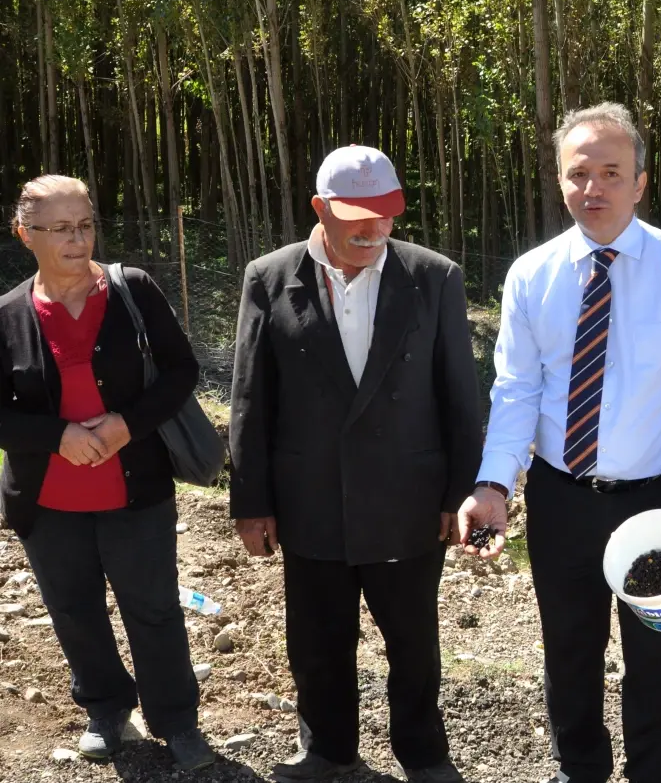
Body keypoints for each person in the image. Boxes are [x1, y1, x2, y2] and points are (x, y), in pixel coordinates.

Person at [457, 102, 661, 783]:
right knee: (569, 651)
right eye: (578, 173)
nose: (594, 188)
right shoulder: (533, 274)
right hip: (562, 497)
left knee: (656, 657)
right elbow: (517, 389)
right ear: (560, 181)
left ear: (640, 183)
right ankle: (578, 770)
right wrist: (494, 485)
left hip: (659, 501)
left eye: (611, 173)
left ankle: (652, 773)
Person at [229, 145, 481, 783]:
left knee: (414, 644)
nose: (373, 230)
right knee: (317, 641)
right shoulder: (269, 276)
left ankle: (424, 754)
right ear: (320, 209)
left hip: (409, 497)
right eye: (356, 217)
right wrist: (251, 501)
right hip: (310, 495)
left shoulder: (434, 277)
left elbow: (460, 396)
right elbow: (250, 399)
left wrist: (461, 493)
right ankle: (328, 750)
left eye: (386, 215)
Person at [0, 175, 214, 769]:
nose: (77, 239)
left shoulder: (131, 291)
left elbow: (180, 371)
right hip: (47, 503)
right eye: (61, 228)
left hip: (135, 492)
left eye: (85, 225)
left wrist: (126, 424)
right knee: (73, 610)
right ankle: (105, 708)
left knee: (153, 609)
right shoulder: (9, 314)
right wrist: (57, 436)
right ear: (25, 235)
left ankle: (176, 721)